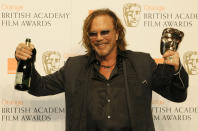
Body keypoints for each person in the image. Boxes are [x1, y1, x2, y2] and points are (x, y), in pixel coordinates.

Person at [15, 8, 189, 131]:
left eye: (105, 32)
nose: (99, 38)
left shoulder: (142, 62)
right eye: (93, 33)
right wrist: (27, 63)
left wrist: (176, 69)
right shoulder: (74, 67)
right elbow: (39, 87)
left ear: (117, 34)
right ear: (88, 37)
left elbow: (177, 95)